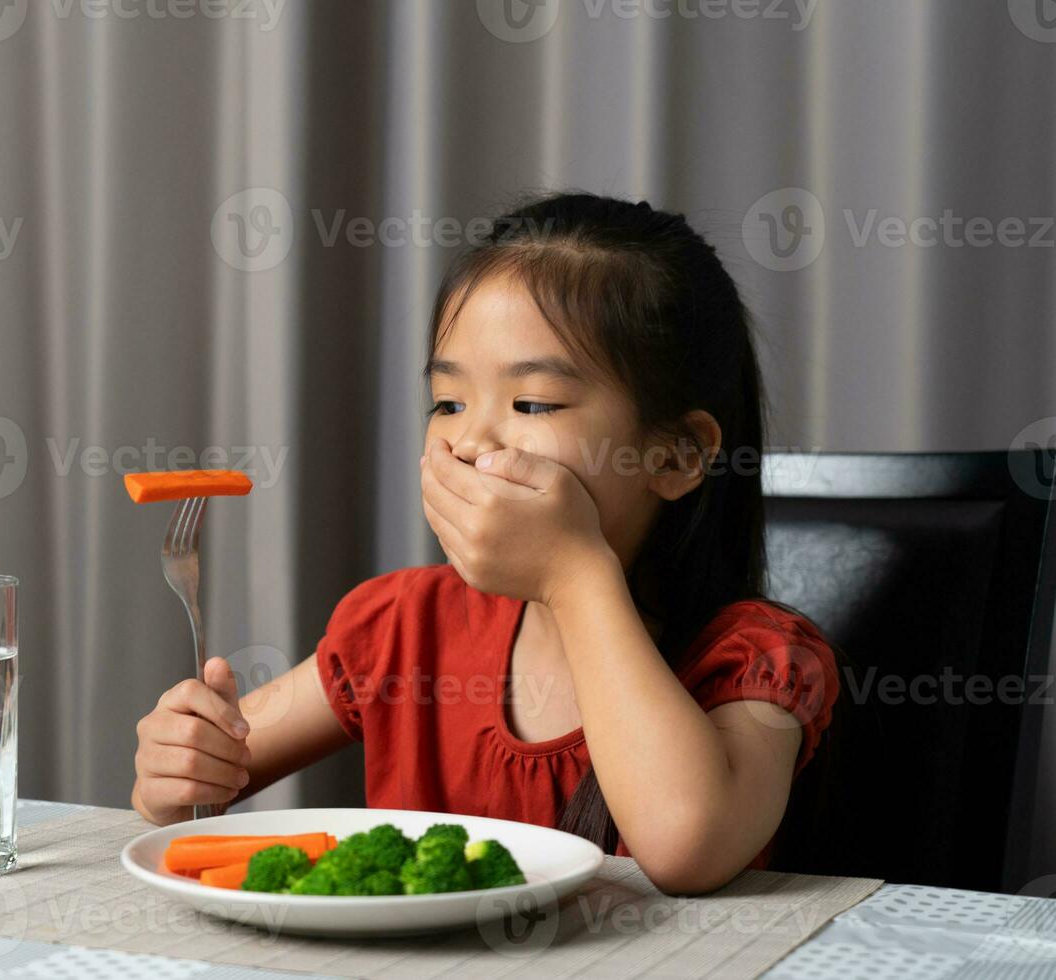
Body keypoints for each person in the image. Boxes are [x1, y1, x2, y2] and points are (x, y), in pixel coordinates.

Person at [131, 191, 839, 895]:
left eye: (532, 404)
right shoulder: (403, 627)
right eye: (448, 402)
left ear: (677, 455)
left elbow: (687, 845)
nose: (468, 441)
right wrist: (180, 770)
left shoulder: (757, 658)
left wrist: (575, 575)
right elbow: (206, 778)